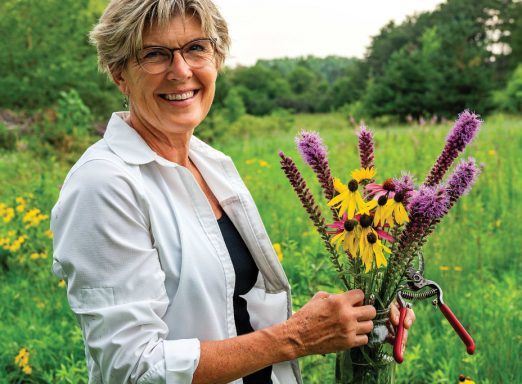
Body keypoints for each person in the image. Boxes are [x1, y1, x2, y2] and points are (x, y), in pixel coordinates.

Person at [50, 1, 415, 383]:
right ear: (119, 74)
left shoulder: (210, 164)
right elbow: (133, 368)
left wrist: (340, 320)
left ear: (216, 57)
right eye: (154, 55)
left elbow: (233, 317)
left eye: (196, 48)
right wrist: (297, 337)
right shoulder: (104, 185)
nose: (181, 70)